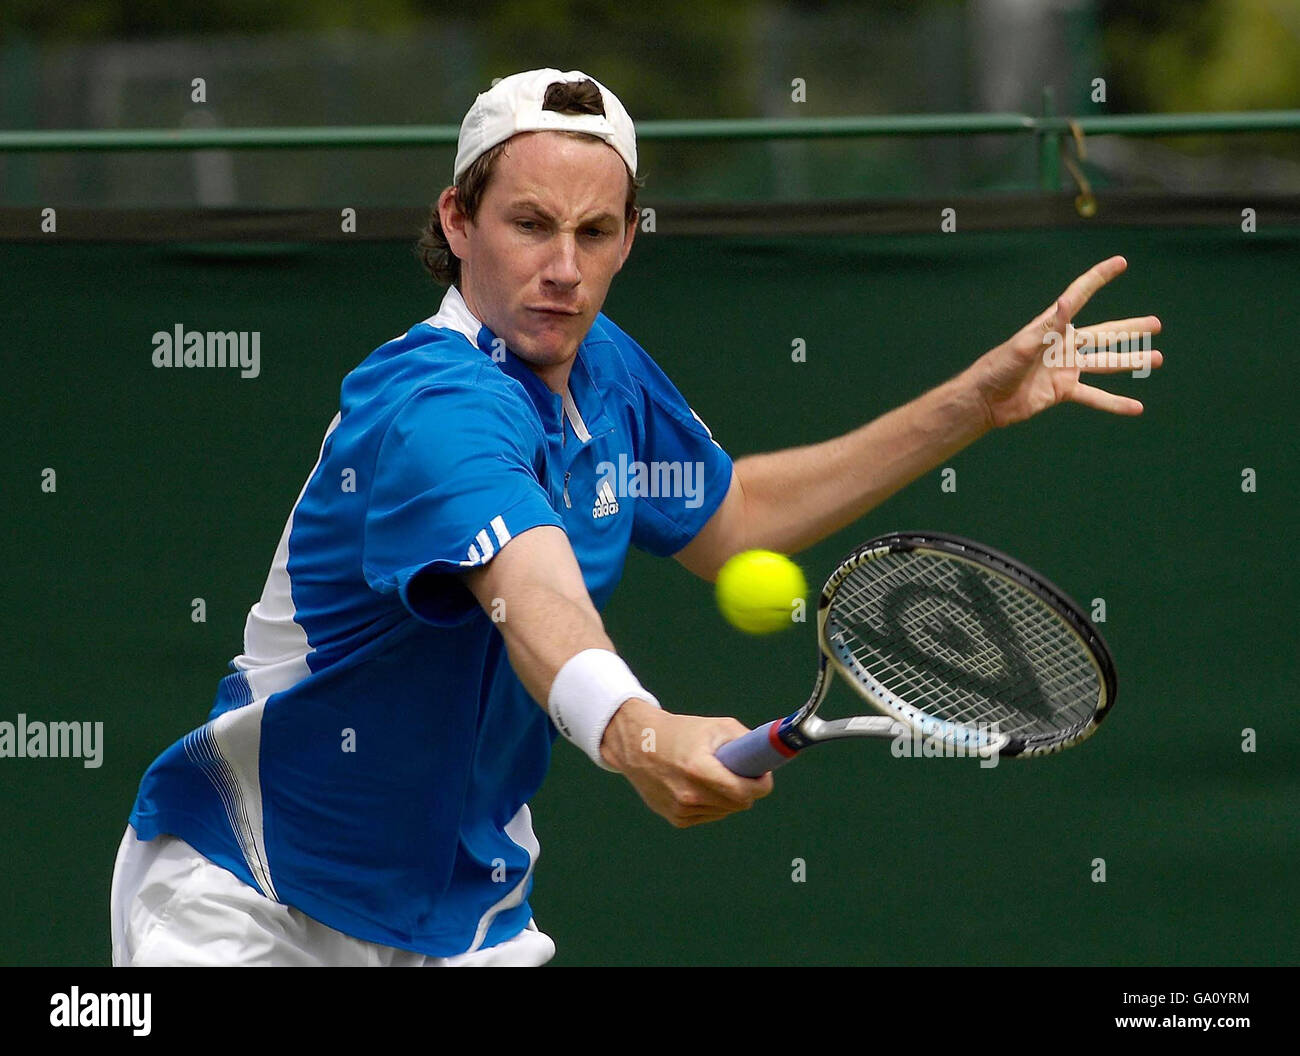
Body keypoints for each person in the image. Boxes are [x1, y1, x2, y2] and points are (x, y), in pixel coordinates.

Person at [111, 68, 1162, 967]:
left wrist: (972, 403)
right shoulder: (431, 405)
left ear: (626, 238)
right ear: (455, 221)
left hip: (462, 908)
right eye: (528, 225)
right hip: (251, 892)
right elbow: (534, 598)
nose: (562, 269)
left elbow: (737, 518)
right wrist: (639, 732)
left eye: (593, 231)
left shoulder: (603, 370)